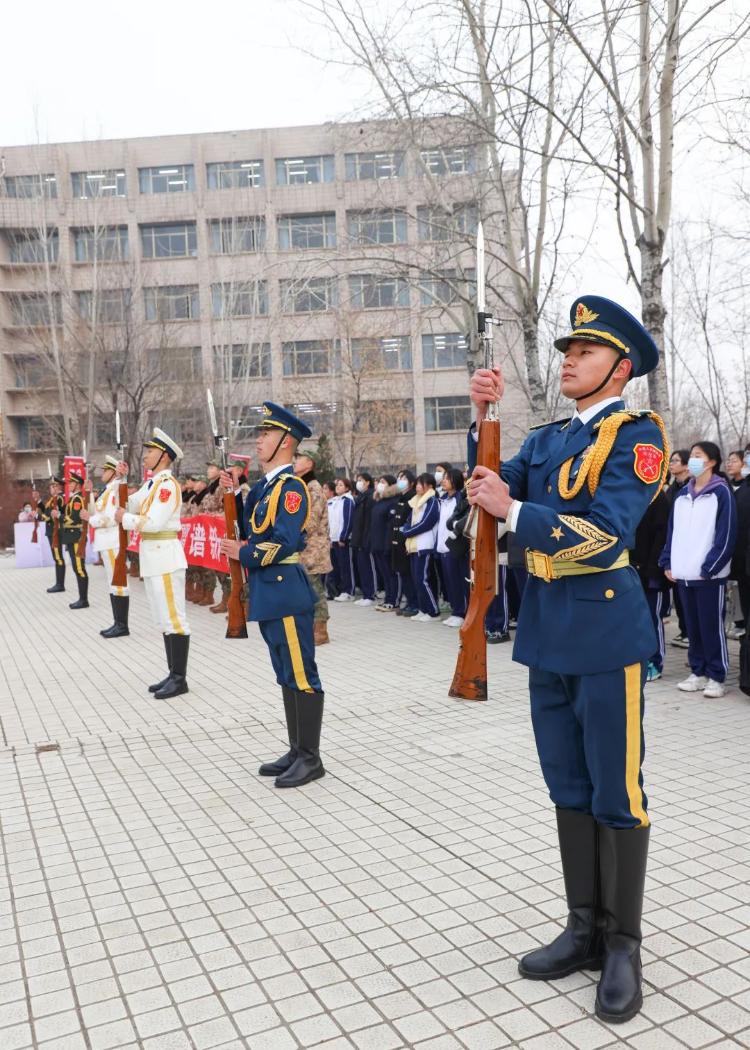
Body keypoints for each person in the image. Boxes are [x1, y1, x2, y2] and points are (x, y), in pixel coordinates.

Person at [468, 295, 668, 1024]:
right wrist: (484, 419)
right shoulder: (552, 438)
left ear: (621, 366)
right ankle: (583, 926)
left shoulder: (637, 436)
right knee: (568, 786)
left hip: (604, 634)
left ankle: (623, 945)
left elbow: (607, 537)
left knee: (618, 792)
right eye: (567, 350)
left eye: (583, 352)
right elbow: (496, 479)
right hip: (548, 632)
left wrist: (513, 514)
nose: (568, 361)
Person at [219, 402, 324, 789]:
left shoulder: (292, 487)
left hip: (286, 589)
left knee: (301, 673)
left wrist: (243, 553)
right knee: (284, 673)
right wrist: (236, 493)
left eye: (265, 434)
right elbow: (252, 524)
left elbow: (283, 541)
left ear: (285, 442)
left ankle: (311, 759)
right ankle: (297, 749)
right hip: (268, 592)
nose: (259, 440)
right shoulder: (266, 488)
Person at [114, 428, 190, 700]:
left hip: (165, 556)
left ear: (164, 456)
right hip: (154, 557)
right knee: (162, 618)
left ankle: (180, 679)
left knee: (174, 619)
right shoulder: (152, 484)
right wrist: (120, 480)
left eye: (150, 452)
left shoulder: (167, 486)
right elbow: (129, 503)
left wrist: (124, 518)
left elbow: (153, 522)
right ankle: (172, 673)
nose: (145, 456)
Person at [660, 441, 737, 699]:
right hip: (683, 573)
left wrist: (710, 567)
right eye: (691, 455)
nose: (692, 460)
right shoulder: (682, 496)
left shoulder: (720, 492)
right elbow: (672, 532)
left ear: (712, 461)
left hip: (709, 575)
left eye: (697, 456)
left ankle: (717, 675)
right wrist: (668, 561)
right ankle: (698, 671)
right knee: (692, 626)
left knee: (710, 626)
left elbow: (726, 535)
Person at [81, 454, 130, 637]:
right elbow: (98, 510)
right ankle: (117, 622)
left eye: (105, 470)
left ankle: (122, 625)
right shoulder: (108, 489)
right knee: (113, 582)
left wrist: (90, 519)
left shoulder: (116, 488)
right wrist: (90, 497)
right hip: (106, 541)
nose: (101, 473)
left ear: (112, 471)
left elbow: (110, 517)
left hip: (112, 540)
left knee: (117, 582)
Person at [294, 445, 333, 645]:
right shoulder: (302, 486)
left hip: (313, 549)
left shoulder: (314, 489)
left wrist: (291, 533)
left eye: (299, 458)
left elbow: (311, 521)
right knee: (306, 588)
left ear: (309, 463)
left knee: (314, 588)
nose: (295, 461)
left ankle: (321, 630)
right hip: (303, 548)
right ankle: (311, 626)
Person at [632, 489, 671, 681]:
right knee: (635, 619)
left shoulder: (659, 498)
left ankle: (655, 662)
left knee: (652, 618)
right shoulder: (633, 495)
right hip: (632, 569)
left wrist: (653, 570)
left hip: (651, 573)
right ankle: (638, 658)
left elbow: (662, 537)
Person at [401, 472, 440, 622]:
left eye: (420, 483)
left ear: (429, 486)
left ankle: (433, 611)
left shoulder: (432, 501)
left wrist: (408, 532)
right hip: (413, 546)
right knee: (417, 579)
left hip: (425, 546)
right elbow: (409, 521)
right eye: (416, 483)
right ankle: (423, 609)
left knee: (423, 579)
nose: (417, 486)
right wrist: (407, 531)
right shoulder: (415, 502)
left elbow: (427, 523)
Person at [665, 450, 691, 649]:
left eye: (675, 461)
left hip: (689, 551)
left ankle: (690, 633)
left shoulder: (692, 488)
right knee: (679, 597)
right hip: (673, 550)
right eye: (671, 461)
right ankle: (684, 630)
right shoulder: (672, 489)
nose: (672, 464)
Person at [437, 468, 468, 627]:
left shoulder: (459, 499)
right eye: (443, 478)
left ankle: (462, 612)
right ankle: (456, 610)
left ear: (455, 480)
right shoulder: (443, 499)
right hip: (442, 546)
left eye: (447, 478)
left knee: (458, 581)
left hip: (454, 546)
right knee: (449, 581)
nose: (443, 481)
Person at [371, 475, 401, 611]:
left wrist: (388, 544)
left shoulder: (393, 501)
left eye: (383, 482)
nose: (379, 484)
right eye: (379, 482)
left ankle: (393, 600)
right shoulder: (379, 501)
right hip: (377, 543)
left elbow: (391, 526)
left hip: (386, 543)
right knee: (384, 573)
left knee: (391, 573)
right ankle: (387, 598)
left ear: (391, 485)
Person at [391, 470, 419, 617]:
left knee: (409, 575)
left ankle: (415, 604)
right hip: (397, 542)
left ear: (412, 482)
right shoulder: (400, 498)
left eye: (403, 478)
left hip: (406, 543)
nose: (400, 480)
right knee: (403, 574)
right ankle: (409, 602)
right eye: (399, 477)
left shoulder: (412, 498)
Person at [62, 471, 89, 610]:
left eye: (71, 483)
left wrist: (60, 518)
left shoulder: (77, 499)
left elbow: (75, 517)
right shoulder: (73, 498)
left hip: (76, 536)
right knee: (76, 568)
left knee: (79, 568)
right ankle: (81, 598)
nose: (69, 485)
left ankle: (84, 600)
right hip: (72, 537)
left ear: (77, 485)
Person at [34, 476, 66, 592]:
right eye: (51, 486)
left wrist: (38, 516)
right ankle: (59, 583)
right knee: (56, 558)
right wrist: (38, 501)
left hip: (55, 531)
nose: (50, 488)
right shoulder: (53, 499)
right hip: (52, 531)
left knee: (58, 558)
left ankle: (60, 584)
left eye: (53, 486)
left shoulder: (59, 499)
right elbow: (46, 510)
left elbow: (50, 517)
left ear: (58, 487)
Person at [351, 472, 377, 605]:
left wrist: (366, 539)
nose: (358, 482)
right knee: (361, 567)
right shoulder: (360, 498)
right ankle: (366, 594)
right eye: (358, 480)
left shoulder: (371, 497)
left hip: (366, 539)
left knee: (368, 567)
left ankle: (371, 594)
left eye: (361, 480)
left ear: (368, 482)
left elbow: (369, 522)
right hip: (358, 538)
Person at [330, 478, 356, 601]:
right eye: (337, 485)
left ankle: (349, 591)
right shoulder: (335, 501)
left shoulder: (348, 501)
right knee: (338, 566)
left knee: (346, 566)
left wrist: (343, 537)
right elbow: (332, 521)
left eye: (341, 485)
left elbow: (348, 520)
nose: (338, 487)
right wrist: (331, 538)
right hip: (334, 539)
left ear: (347, 488)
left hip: (343, 539)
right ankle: (341, 589)